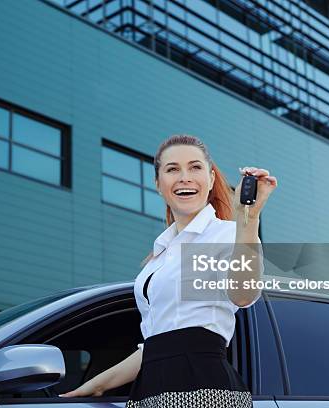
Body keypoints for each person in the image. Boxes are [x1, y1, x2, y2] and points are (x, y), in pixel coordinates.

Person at [59, 134, 277, 407]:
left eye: (195, 168)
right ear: (158, 184)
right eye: (172, 169)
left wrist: (249, 219)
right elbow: (155, 346)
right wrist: (96, 385)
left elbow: (243, 295)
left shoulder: (227, 235)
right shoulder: (159, 254)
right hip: (150, 389)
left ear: (210, 180)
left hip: (201, 388)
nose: (184, 177)